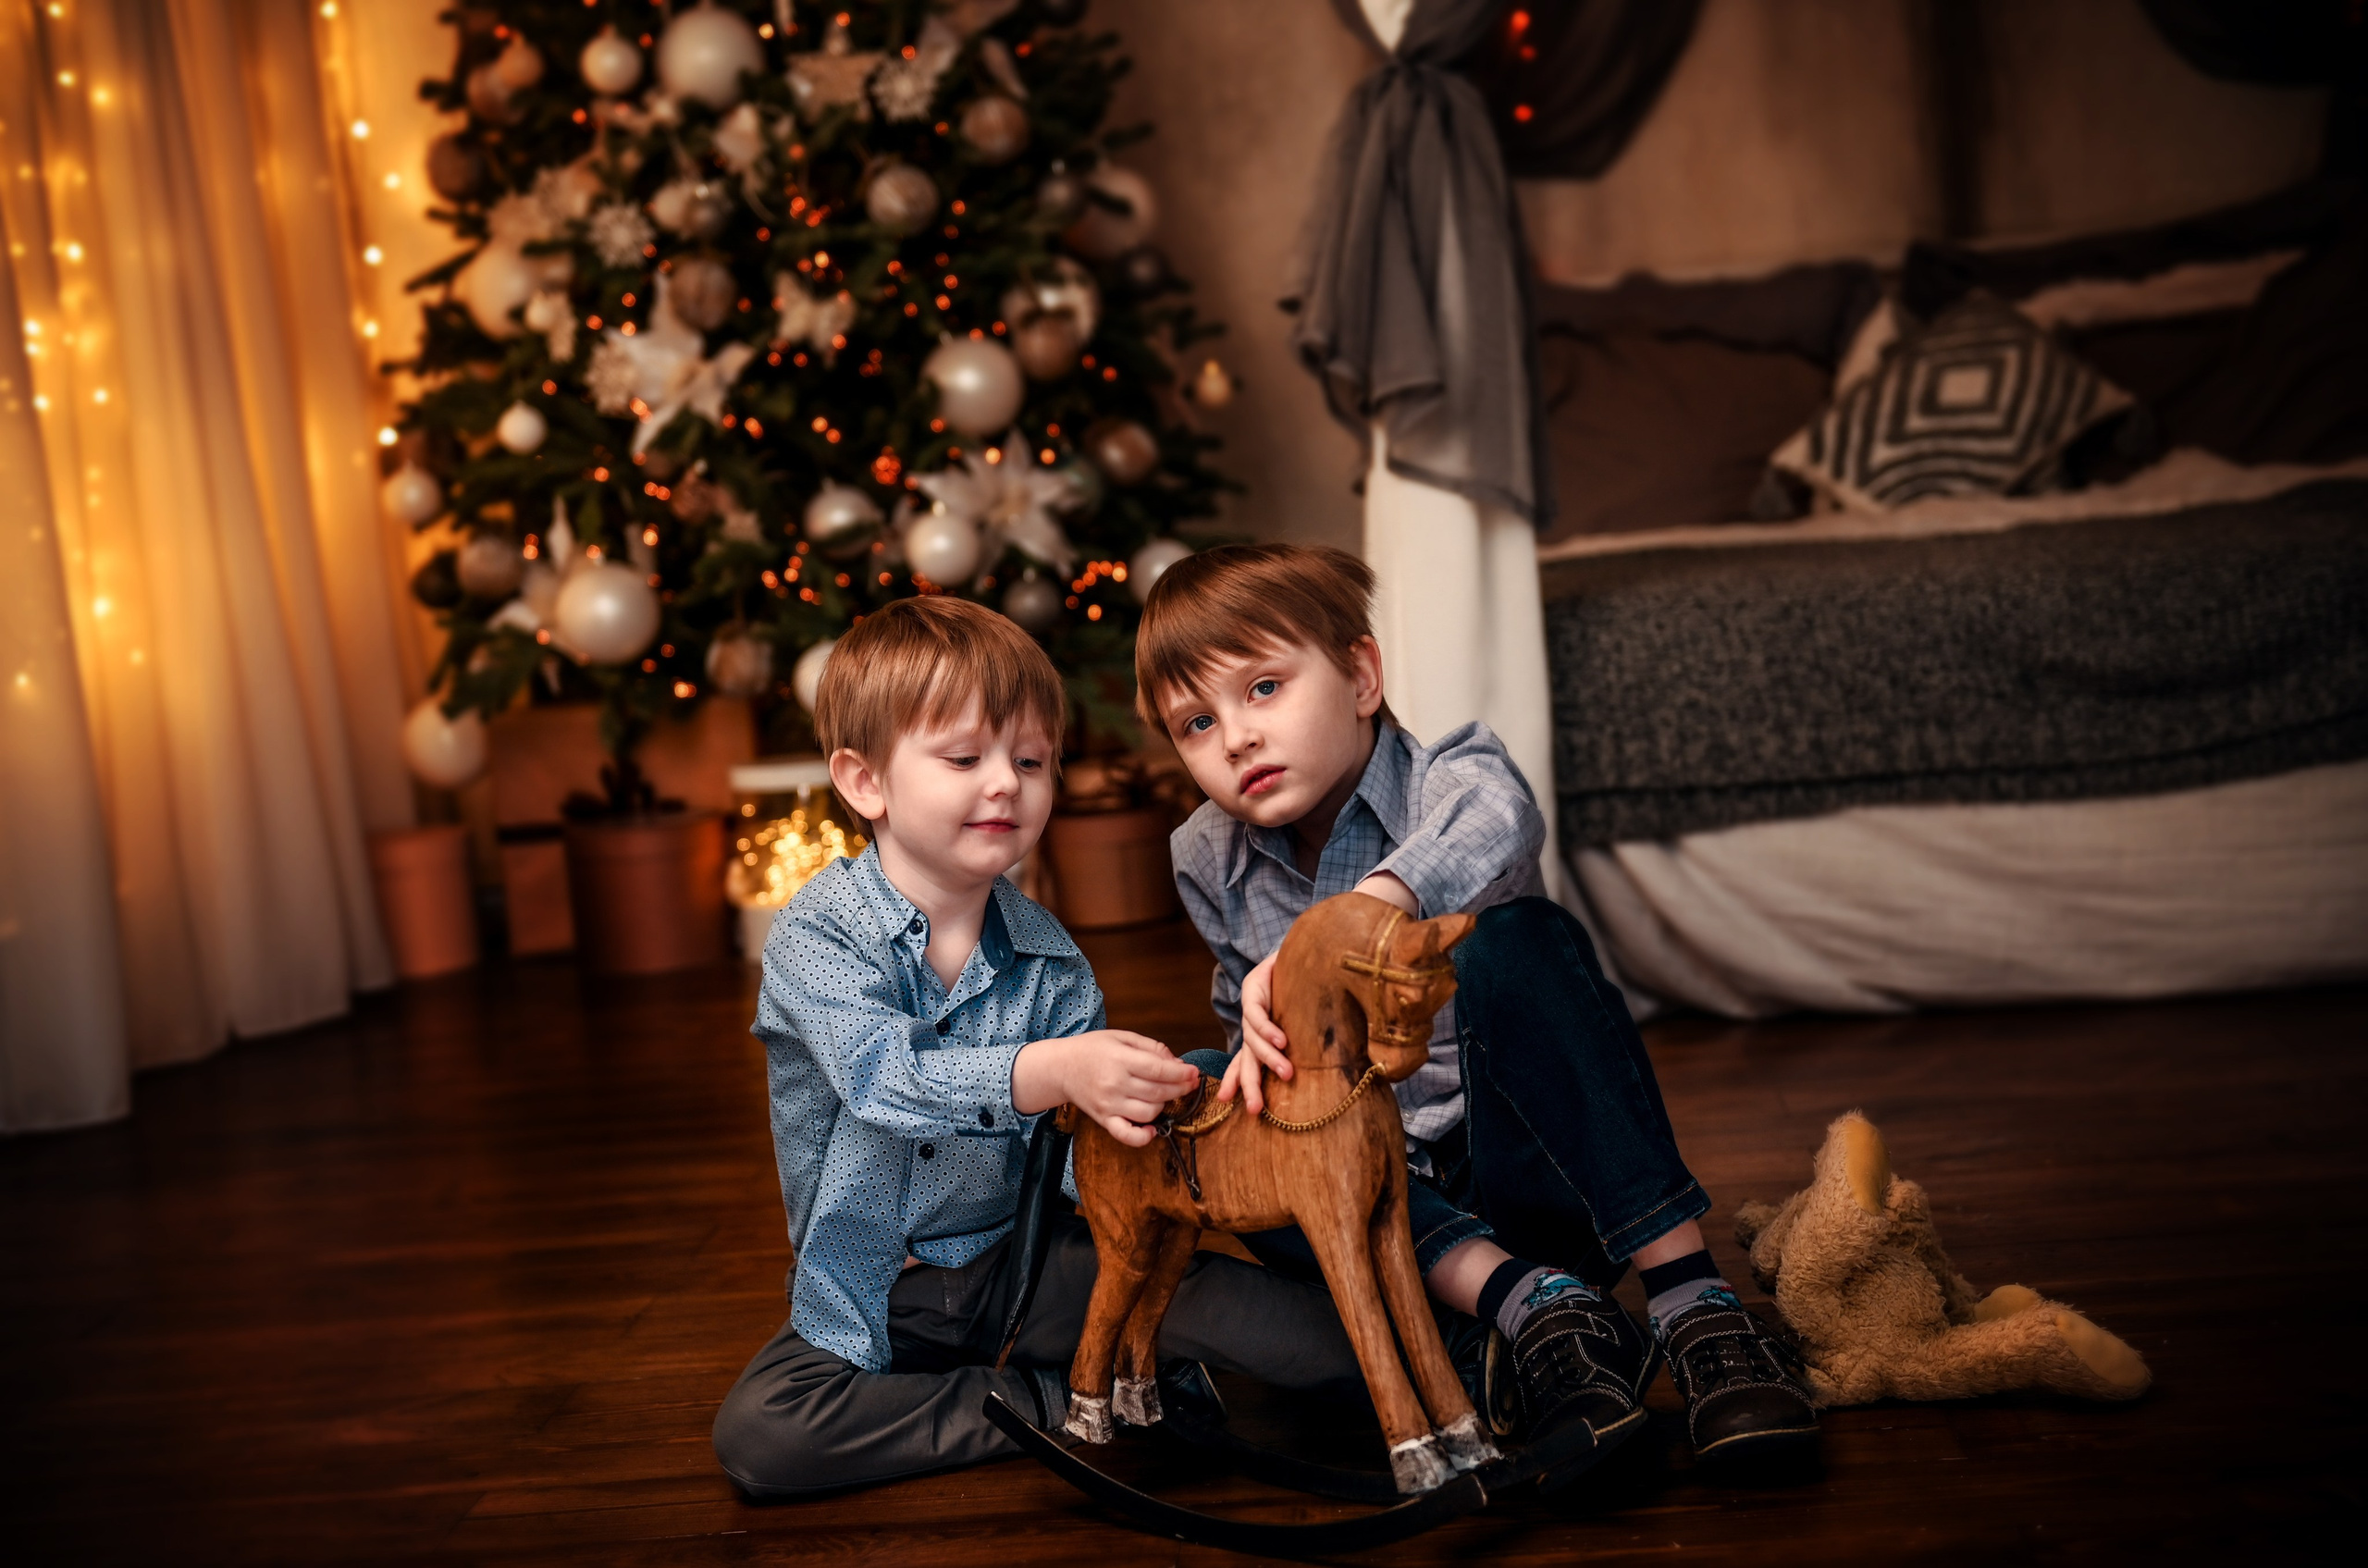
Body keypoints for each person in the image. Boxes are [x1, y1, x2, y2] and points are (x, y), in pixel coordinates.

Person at [1137, 543, 1819, 1469]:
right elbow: (1253, 1043)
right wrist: (1257, 1048)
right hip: (1403, 1217)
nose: (1236, 738)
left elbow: (1500, 820)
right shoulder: (1206, 859)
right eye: (1195, 723)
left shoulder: (1451, 776)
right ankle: (1535, 1314)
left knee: (1521, 937)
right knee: (1220, 1094)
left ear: (1360, 675)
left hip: (1533, 1169)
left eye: (1263, 689)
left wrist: (1348, 922)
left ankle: (1689, 1301)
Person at [711, 595, 1373, 1499]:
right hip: (877, 1295)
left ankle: (1470, 1359)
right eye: (963, 758)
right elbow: (880, 1079)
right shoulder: (814, 940)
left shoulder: (1052, 964)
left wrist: (1156, 1120)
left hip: (1022, 1266)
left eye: (1030, 761)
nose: (1005, 784)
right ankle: (1049, 1403)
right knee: (762, 1436)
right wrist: (1053, 1070)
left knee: (1263, 1323)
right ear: (865, 783)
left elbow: (1069, 1167)